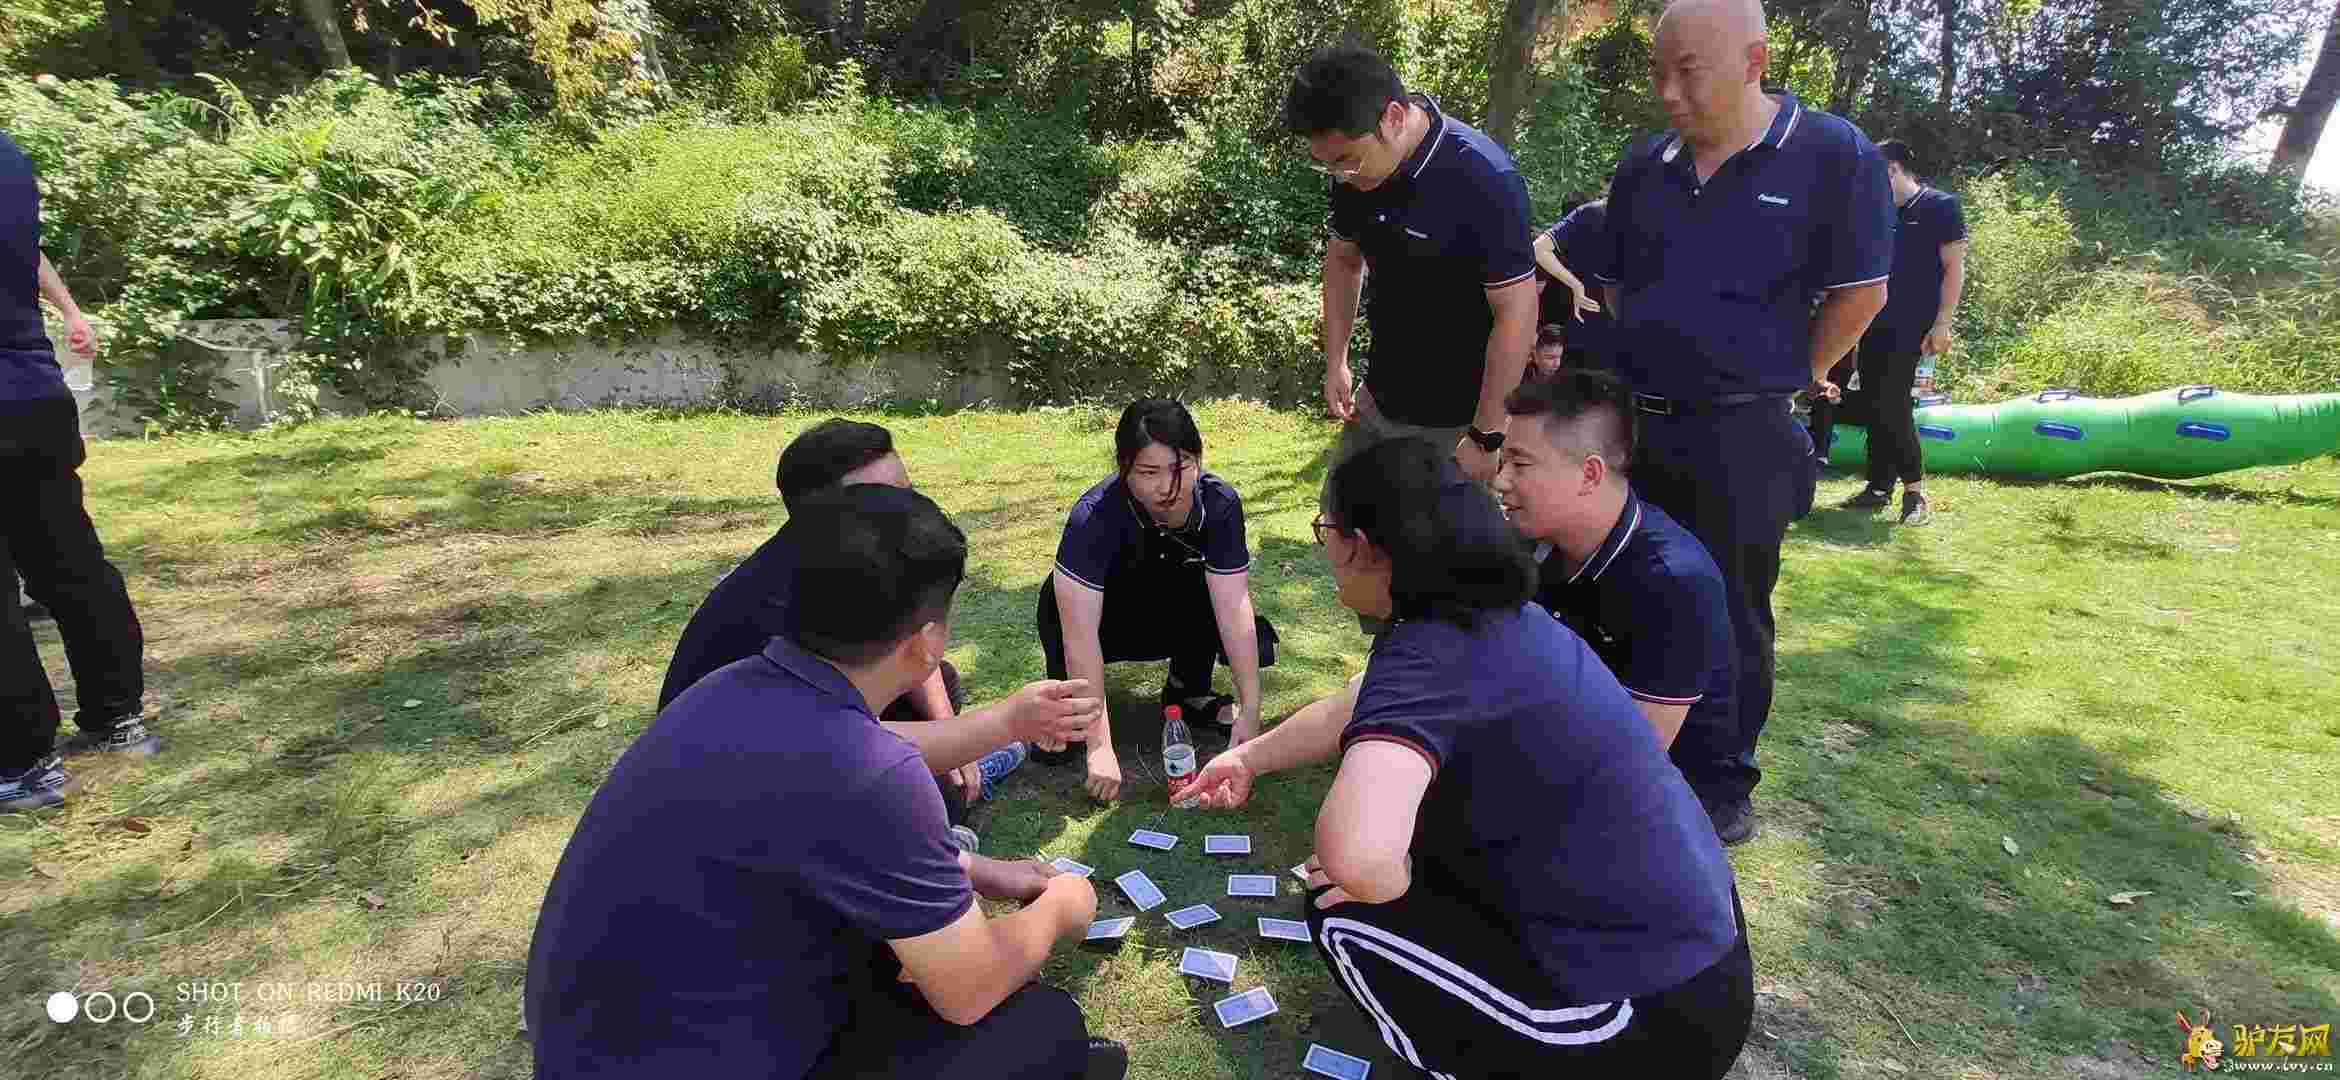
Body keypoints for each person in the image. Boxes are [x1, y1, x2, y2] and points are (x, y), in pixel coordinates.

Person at [1182, 438, 1752, 1077]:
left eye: (1326, 533)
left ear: (1363, 545)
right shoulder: (1500, 614)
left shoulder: (1425, 656)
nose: (1326, 551)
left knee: (1341, 911)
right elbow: (1356, 703)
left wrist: (1396, 882)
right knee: (1423, 858)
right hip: (1710, 969)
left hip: (1641, 1030)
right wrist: (1249, 759)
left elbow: (1357, 857)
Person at [528, 485, 1127, 1080]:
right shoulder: (870, 774)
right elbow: (969, 990)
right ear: (926, 643)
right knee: (1043, 1028)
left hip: (593, 1050)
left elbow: (829, 812)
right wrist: (1062, 909)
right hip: (700, 1055)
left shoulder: (728, 689)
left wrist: (981, 870)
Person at [1578, 0, 1894, 843]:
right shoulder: (1645, 165)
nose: (1669, 92)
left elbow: (1863, 292)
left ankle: (1719, 782)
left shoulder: (1833, 155)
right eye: (1658, 73)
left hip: (1743, 434)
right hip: (1636, 424)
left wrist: (1788, 374)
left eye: (1689, 72)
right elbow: (1614, 285)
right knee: (1622, 590)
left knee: (1728, 609)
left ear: (1755, 62)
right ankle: (1617, 758)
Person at [660, 419, 1050, 830]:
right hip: (742, 783)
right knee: (923, 798)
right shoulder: (790, 601)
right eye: (885, 498)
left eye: (910, 491)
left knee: (941, 685)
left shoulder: (848, 556)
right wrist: (996, 726)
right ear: (829, 515)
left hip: (806, 731)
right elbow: (835, 742)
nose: (911, 509)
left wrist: (954, 735)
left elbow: (913, 650)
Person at [1493, 369, 1743, 827]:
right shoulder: (1532, 540)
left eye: (1520, 464)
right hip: (1566, 744)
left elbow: (1632, 757)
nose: (1500, 481)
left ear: (1589, 474)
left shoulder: (1673, 582)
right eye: (1502, 461)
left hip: (1661, 802)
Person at [1286, 45, 1540, 486]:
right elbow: (1344, 260)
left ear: (1394, 117)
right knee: (1340, 519)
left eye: (1346, 161)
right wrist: (1336, 360)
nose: (1341, 177)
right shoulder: (1353, 174)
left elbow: (1516, 311)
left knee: (1436, 532)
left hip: (1460, 421)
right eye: (1326, 166)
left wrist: (1486, 436)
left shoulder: (1483, 177)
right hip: (1378, 400)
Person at [1, 130, 157, 814]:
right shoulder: (8, 156)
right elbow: (21, 246)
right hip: (34, 398)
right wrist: (68, 308)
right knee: (71, 562)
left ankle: (22, 763)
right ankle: (118, 718)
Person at [1033, 399, 1277, 801]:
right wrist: (1100, 746)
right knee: (1060, 743)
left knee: (1209, 586)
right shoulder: (1093, 516)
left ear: (1199, 460)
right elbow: (1080, 635)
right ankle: (1072, 709)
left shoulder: (1219, 504)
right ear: (1124, 468)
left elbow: (1234, 607)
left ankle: (1188, 689)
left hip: (1169, 611)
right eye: (1149, 472)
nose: (1167, 486)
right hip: (1101, 623)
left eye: (1180, 468)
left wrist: (1252, 710)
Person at [1824, 138, 1966, 526]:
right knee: (1873, 402)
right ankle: (1878, 486)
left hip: (1915, 326)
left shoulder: (1941, 206)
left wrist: (1943, 322)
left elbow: (1954, 269)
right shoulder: (1878, 212)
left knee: (1894, 403)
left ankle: (1915, 493)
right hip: (1872, 322)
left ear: (1891, 170)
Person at [1532, 193, 1617, 372]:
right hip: (1603, 334)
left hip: (1577, 332)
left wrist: (1575, 285)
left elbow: (1539, 251)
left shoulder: (1590, 215)